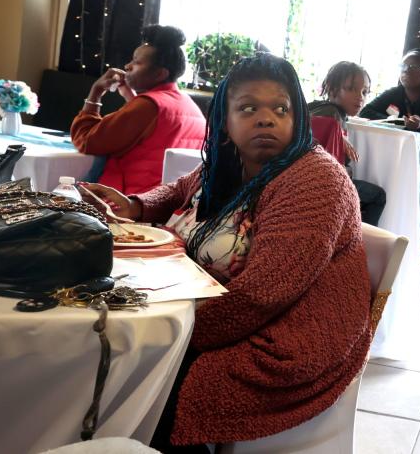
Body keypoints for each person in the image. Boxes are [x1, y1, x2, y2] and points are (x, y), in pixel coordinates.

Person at [80, 54, 372, 450]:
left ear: (297, 117)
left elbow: (262, 294)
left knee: (144, 368)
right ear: (225, 121)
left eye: (281, 109)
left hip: (285, 340)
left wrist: (170, 330)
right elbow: (181, 189)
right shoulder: (233, 160)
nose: (266, 119)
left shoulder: (316, 180)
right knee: (113, 354)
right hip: (218, 310)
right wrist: (136, 205)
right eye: (248, 108)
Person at [71, 25, 206, 194]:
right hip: (164, 202)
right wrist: (131, 99)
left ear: (160, 74)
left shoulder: (147, 105)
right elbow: (151, 139)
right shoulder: (189, 105)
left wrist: (95, 92)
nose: (127, 66)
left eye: (137, 62)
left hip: (127, 202)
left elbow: (87, 141)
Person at [361, 48, 420, 206]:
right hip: (395, 161)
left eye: (412, 67)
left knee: (400, 185)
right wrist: (396, 121)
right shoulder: (394, 94)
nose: (405, 70)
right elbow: (365, 112)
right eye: (402, 66)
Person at [309, 61, 387, 226]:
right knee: (378, 196)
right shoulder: (331, 113)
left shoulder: (324, 109)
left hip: (320, 183)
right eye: (351, 89)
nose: (360, 97)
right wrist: (339, 135)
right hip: (323, 187)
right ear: (331, 88)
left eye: (365, 92)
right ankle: (360, 241)